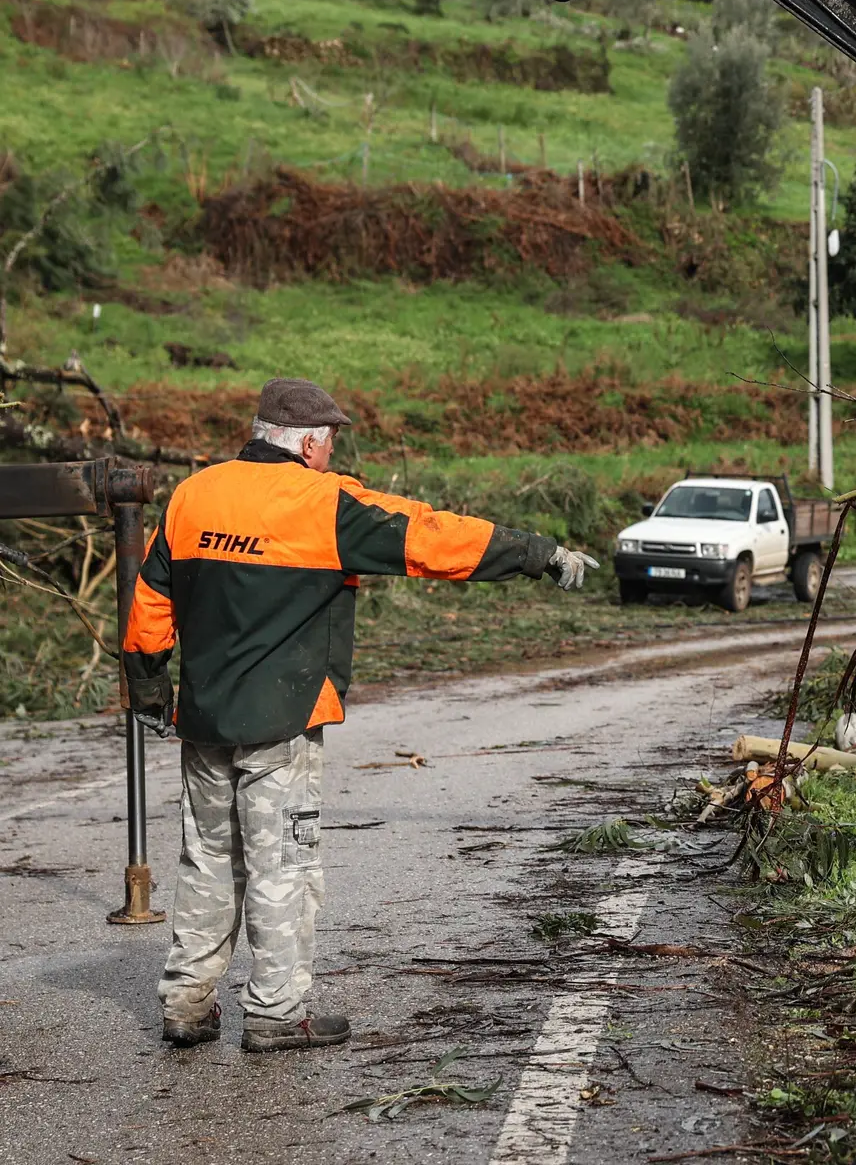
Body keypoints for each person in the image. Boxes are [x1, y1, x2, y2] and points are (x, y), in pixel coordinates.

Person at [122, 378, 599, 1053]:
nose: (332, 451)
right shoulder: (324, 501)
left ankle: (187, 1005)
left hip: (201, 720)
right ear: (311, 441)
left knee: (206, 861)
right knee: (283, 865)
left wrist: (149, 693)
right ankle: (278, 1015)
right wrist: (533, 552)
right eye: (332, 440)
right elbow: (432, 538)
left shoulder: (192, 495)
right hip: (282, 721)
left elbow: (148, 606)